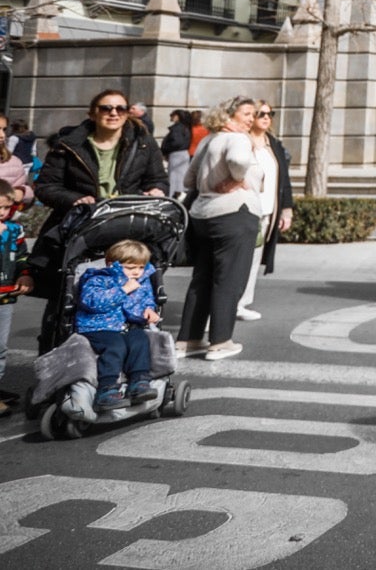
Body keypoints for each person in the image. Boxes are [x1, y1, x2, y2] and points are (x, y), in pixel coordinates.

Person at [30, 89, 167, 353]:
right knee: (67, 296)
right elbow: (45, 186)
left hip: (126, 227)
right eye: (106, 108)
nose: (113, 113)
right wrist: (75, 199)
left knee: (134, 293)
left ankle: (125, 360)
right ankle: (54, 357)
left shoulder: (143, 143)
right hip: (81, 228)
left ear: (128, 113)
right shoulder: (68, 144)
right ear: (92, 113)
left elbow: (157, 179)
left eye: (120, 108)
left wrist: (156, 190)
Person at [176, 96, 263, 362]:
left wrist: (211, 182)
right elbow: (238, 160)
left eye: (253, 114)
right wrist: (236, 178)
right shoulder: (238, 139)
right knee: (229, 279)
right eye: (246, 113)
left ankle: (188, 340)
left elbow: (188, 179)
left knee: (201, 279)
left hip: (203, 214)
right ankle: (221, 341)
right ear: (228, 116)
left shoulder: (208, 139)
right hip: (235, 214)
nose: (250, 119)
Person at [75, 238, 161, 411]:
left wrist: (149, 310)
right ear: (111, 264)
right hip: (97, 326)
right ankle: (106, 389)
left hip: (127, 325)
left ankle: (139, 381)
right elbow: (92, 302)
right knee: (115, 346)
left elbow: (146, 300)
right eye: (130, 268)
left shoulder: (142, 281)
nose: (136, 272)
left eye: (140, 267)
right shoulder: (99, 279)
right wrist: (123, 290)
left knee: (140, 340)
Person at [238, 102, 293, 322]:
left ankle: (242, 302)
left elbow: (284, 179)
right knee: (240, 258)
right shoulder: (241, 142)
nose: (266, 117)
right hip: (244, 209)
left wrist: (286, 210)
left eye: (271, 114)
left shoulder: (274, 145)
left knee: (253, 258)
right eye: (261, 114)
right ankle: (229, 302)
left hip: (267, 210)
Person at [0, 196, 31, 417]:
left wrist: (25, 276)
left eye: (6, 207)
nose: (2, 211)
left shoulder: (14, 230)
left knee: (0, 348)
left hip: (5, 298)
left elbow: (22, 258)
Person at [160, 110, 192, 198]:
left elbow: (176, 142)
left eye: (172, 116)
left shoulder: (177, 128)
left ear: (177, 116)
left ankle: (174, 195)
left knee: (175, 178)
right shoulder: (185, 127)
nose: (171, 118)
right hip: (181, 154)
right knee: (179, 177)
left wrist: (166, 149)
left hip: (176, 154)